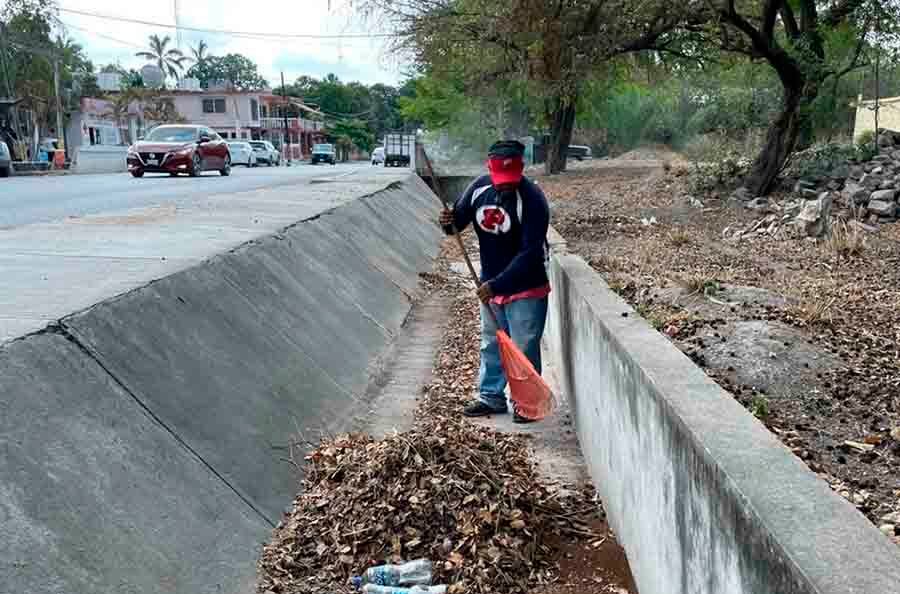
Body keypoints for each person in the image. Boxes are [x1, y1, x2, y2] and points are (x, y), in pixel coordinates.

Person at [439, 140, 551, 423]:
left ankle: (527, 405)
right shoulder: (479, 189)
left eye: (511, 180)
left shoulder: (534, 200)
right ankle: (491, 397)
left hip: (526, 287)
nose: (505, 186)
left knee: (523, 347)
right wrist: (447, 222)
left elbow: (529, 254)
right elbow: (456, 225)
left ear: (521, 170)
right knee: (491, 343)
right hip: (492, 285)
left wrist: (496, 285)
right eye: (500, 180)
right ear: (489, 169)